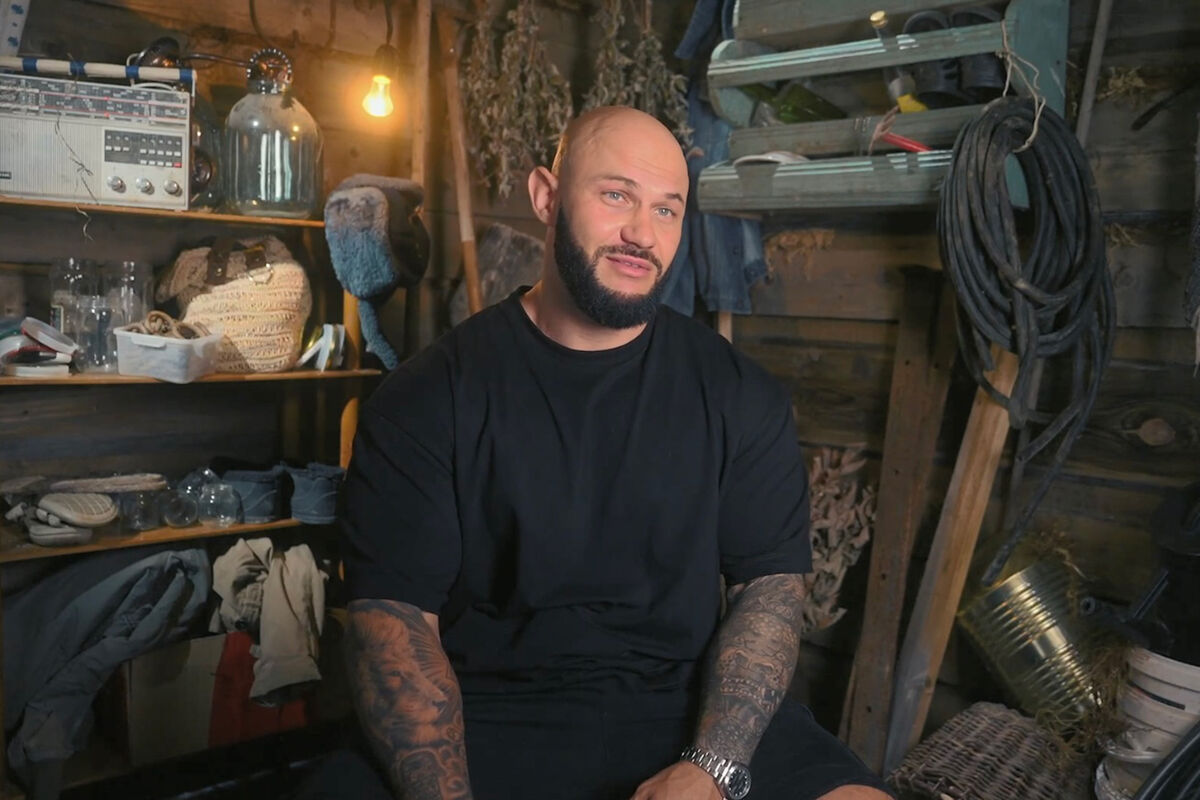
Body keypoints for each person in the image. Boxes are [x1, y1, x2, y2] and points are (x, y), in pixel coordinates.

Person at [324, 106, 894, 800]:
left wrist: (711, 767)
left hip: (688, 709)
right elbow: (393, 625)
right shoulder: (425, 398)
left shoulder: (740, 394)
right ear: (546, 197)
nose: (642, 234)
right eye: (617, 195)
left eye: (666, 209)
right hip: (486, 716)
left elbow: (767, 591)